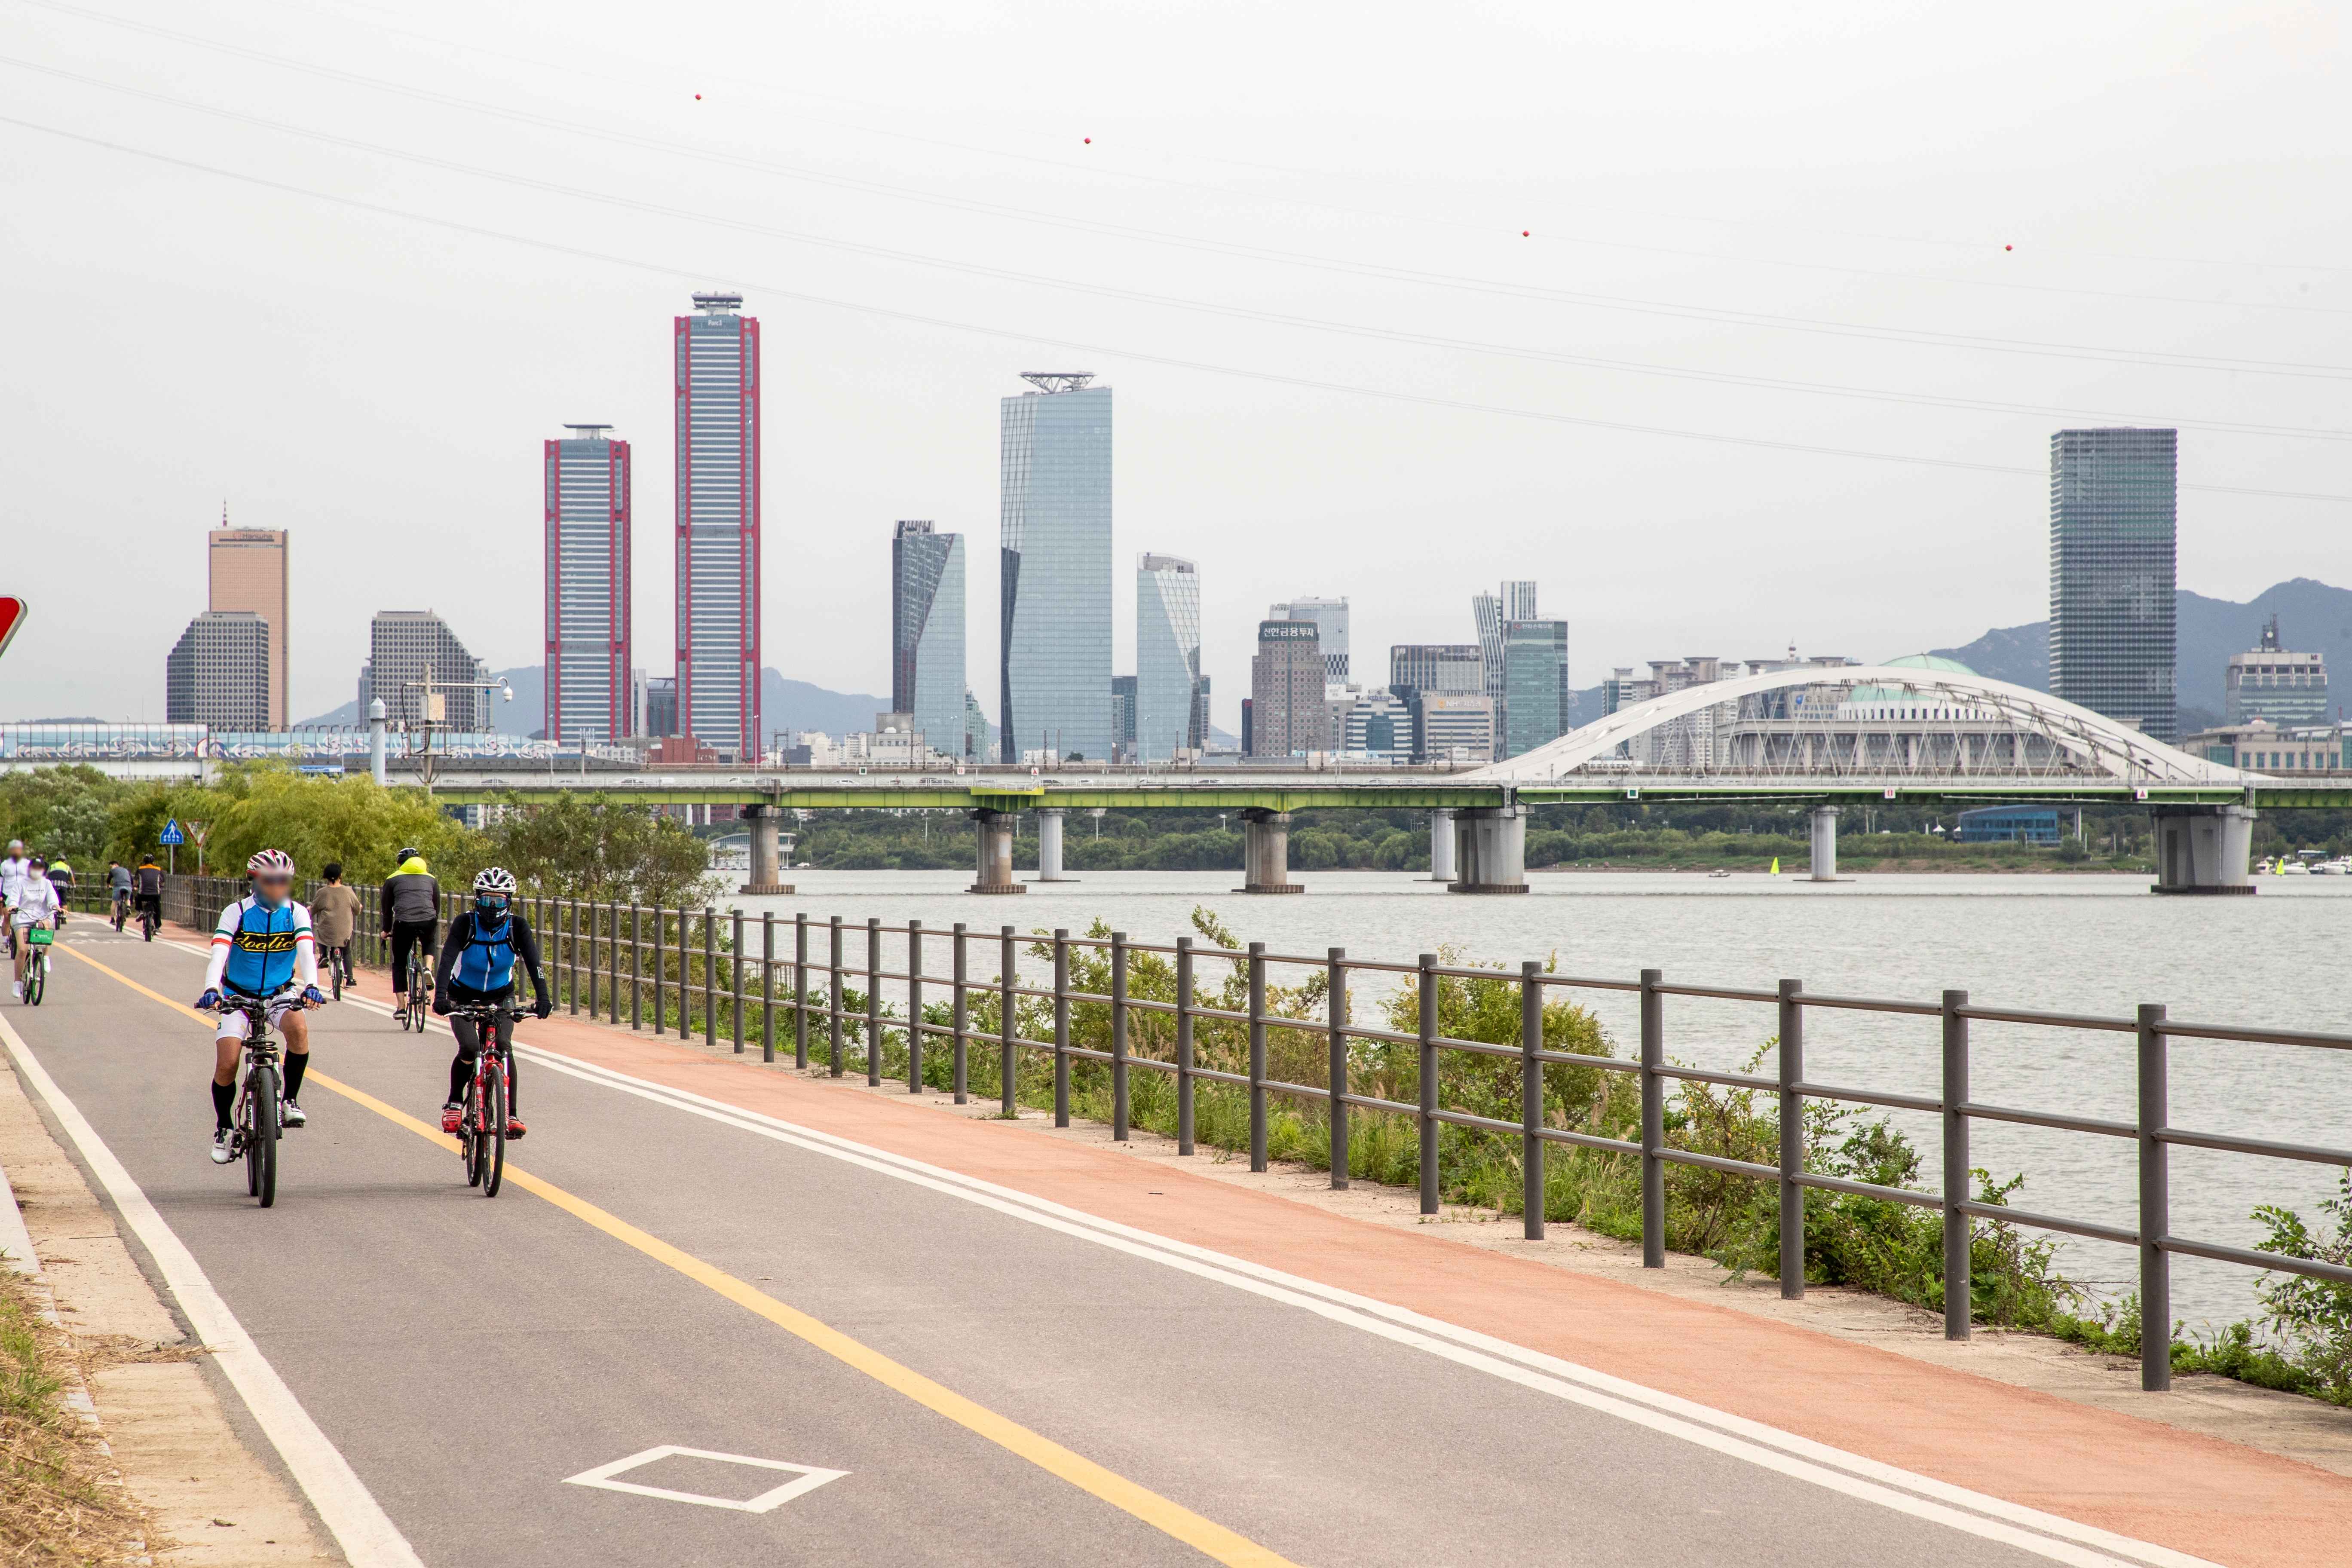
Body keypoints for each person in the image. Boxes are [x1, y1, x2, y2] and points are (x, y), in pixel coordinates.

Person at [194, 849, 324, 1164]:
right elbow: (219, 956)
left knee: (299, 1030)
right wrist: (212, 989)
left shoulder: (297, 913)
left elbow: (307, 952)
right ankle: (224, 1127)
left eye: (285, 881)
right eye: (271, 882)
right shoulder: (235, 912)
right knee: (228, 1062)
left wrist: (312, 985)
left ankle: (289, 1100)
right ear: (254, 882)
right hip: (238, 995)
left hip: (279, 992)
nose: (279, 888)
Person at [432, 867, 549, 1140]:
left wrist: (543, 998)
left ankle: (511, 1114)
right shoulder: (465, 924)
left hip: (500, 997)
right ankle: (454, 1103)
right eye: (487, 899)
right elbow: (447, 960)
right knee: (471, 1048)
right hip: (462, 996)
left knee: (504, 1048)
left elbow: (535, 964)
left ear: (509, 902)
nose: (493, 906)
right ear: (477, 900)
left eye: (499, 900)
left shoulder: (517, 927)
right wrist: (441, 996)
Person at [382, 848, 439, 1007]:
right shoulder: (431, 879)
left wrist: (386, 931)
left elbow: (387, 910)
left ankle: (401, 1006)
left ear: (400, 864)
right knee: (429, 941)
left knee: (399, 963)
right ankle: (427, 968)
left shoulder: (392, 879)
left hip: (404, 923)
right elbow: (437, 906)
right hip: (428, 920)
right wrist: (432, 922)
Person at [11, 855, 62, 1001]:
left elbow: (53, 899)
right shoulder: (21, 884)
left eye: (40, 869)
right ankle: (17, 982)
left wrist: (55, 906)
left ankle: (45, 956)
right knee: (23, 950)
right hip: (22, 917)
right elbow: (14, 899)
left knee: (47, 923)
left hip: (40, 917)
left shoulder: (46, 884)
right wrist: (14, 906)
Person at [310, 862, 359, 992]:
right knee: (347, 951)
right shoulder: (348, 891)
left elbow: (313, 910)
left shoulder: (322, 893)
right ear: (340, 876)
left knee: (319, 932)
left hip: (327, 931)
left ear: (326, 877)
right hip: (345, 932)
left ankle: (324, 955)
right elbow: (357, 909)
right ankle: (350, 979)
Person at [0, 840, 29, 958]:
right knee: (7, 916)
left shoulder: (28, 864)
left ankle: (24, 941)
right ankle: (5, 942)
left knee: (25, 918)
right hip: (8, 893)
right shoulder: (5, 865)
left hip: (23, 894)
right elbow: (1, 880)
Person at [132, 854, 164, 938]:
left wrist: (135, 886)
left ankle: (140, 911)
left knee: (137, 898)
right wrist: (160, 887)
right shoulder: (158, 869)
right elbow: (163, 881)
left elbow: (135, 880)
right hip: (155, 894)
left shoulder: (140, 869)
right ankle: (157, 927)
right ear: (153, 862)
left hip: (143, 894)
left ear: (144, 861)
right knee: (158, 909)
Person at [108, 861, 132, 928]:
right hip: (128, 886)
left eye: (111, 866)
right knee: (127, 899)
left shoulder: (113, 871)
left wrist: (108, 886)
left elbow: (109, 879)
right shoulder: (126, 870)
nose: (111, 868)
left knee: (114, 902)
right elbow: (132, 879)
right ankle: (128, 907)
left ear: (115, 865)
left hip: (118, 887)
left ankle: (113, 919)